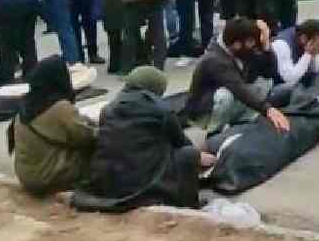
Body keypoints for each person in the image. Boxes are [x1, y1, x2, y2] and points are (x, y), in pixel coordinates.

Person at [75, 66, 217, 212]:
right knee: (189, 155)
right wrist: (199, 156)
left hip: (109, 182)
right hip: (141, 184)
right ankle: (188, 204)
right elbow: (181, 143)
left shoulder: (108, 109)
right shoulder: (160, 109)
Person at [9, 56, 98, 197]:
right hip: (47, 178)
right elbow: (85, 136)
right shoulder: (59, 107)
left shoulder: (25, 106)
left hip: (26, 177)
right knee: (104, 149)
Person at [184, 17, 289, 135]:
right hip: (204, 110)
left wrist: (266, 46)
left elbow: (270, 73)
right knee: (225, 95)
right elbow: (238, 87)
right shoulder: (215, 59)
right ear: (237, 44)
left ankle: (242, 125)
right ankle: (214, 132)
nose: (253, 45)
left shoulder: (243, 49)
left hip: (232, 97)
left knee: (264, 82)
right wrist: (267, 109)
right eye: (251, 42)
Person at [270, 20, 319, 106]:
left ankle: (308, 100)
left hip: (298, 84)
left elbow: (316, 70)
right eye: (318, 44)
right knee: (295, 86)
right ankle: (304, 104)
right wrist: (307, 54)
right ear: (304, 38)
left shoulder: (307, 43)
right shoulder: (282, 45)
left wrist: (314, 54)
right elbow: (289, 79)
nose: (318, 48)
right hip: (277, 88)